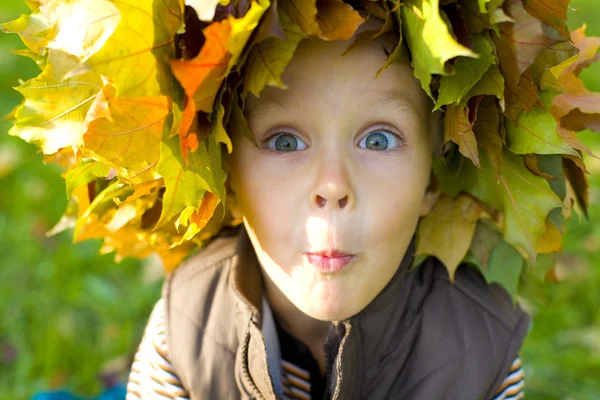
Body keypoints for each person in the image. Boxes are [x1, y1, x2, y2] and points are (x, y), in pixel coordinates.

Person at [126, 12, 528, 400]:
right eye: (285, 142)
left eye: (378, 140)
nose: (333, 185)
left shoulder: (479, 351)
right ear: (226, 180)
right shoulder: (186, 332)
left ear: (431, 181)